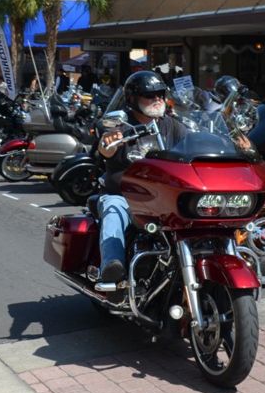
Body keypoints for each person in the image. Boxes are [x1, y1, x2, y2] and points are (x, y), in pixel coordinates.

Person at [93, 71, 253, 284]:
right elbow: (104, 149)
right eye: (150, 95)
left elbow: (197, 141)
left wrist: (231, 144)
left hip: (161, 196)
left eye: (160, 94)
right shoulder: (121, 127)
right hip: (125, 195)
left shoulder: (171, 125)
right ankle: (112, 266)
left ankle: (244, 254)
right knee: (114, 209)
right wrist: (108, 143)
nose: (157, 98)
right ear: (132, 99)